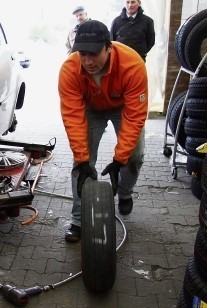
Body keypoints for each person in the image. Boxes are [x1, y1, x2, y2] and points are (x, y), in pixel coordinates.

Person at [58, 20, 148, 242]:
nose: (87, 61)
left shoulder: (132, 65)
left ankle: (125, 193)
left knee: (134, 156)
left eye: (94, 54)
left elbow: (135, 116)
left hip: (122, 106)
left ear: (109, 47)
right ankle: (79, 220)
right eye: (82, 54)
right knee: (82, 164)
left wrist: (119, 160)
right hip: (90, 108)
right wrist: (82, 160)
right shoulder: (69, 70)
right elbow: (72, 117)